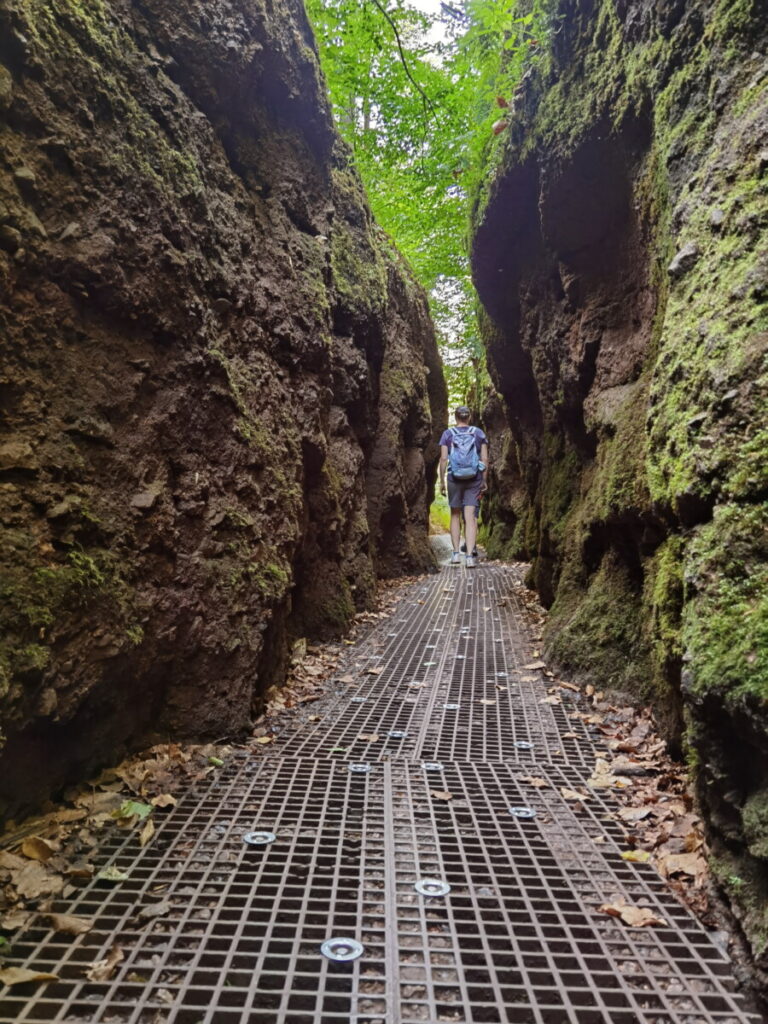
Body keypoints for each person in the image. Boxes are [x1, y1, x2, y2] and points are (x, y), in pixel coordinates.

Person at [438, 406, 489, 568]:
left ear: (456, 417)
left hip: (454, 478)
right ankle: (469, 557)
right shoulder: (478, 433)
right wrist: (484, 480)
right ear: (469, 417)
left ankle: (455, 555)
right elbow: (485, 459)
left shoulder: (447, 434)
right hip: (474, 478)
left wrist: (441, 480)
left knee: (455, 514)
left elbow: (443, 459)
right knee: (470, 517)